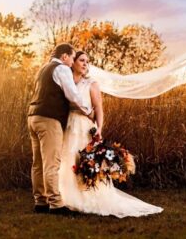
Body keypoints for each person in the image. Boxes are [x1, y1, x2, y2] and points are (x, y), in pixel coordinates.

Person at [59, 51, 163, 218]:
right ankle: (66, 197)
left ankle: (87, 197)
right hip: (68, 124)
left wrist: (99, 128)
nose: (85, 64)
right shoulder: (66, 80)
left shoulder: (91, 83)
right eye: (81, 60)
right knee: (67, 159)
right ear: (74, 62)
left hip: (85, 125)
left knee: (84, 159)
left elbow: (98, 108)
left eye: (87, 61)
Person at [27, 43, 93, 215]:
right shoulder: (62, 68)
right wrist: (88, 110)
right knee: (52, 163)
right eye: (72, 58)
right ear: (64, 57)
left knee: (38, 163)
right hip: (49, 119)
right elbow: (72, 94)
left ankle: (40, 202)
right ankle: (56, 204)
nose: (72, 63)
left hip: (33, 117)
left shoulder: (43, 69)